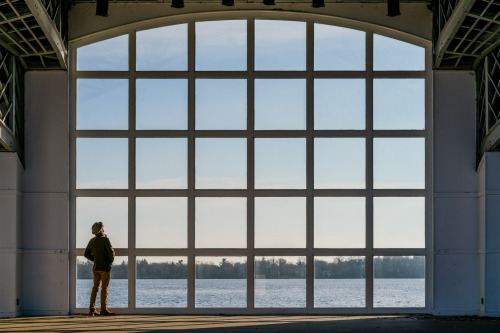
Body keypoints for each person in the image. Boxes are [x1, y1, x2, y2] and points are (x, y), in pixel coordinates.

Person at [84, 221, 116, 316]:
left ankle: (91, 309)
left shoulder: (92, 241)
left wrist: (95, 259)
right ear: (101, 229)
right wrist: (109, 262)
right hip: (105, 268)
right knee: (104, 289)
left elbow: (86, 254)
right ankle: (103, 309)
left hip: (96, 268)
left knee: (95, 288)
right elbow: (111, 253)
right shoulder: (105, 240)